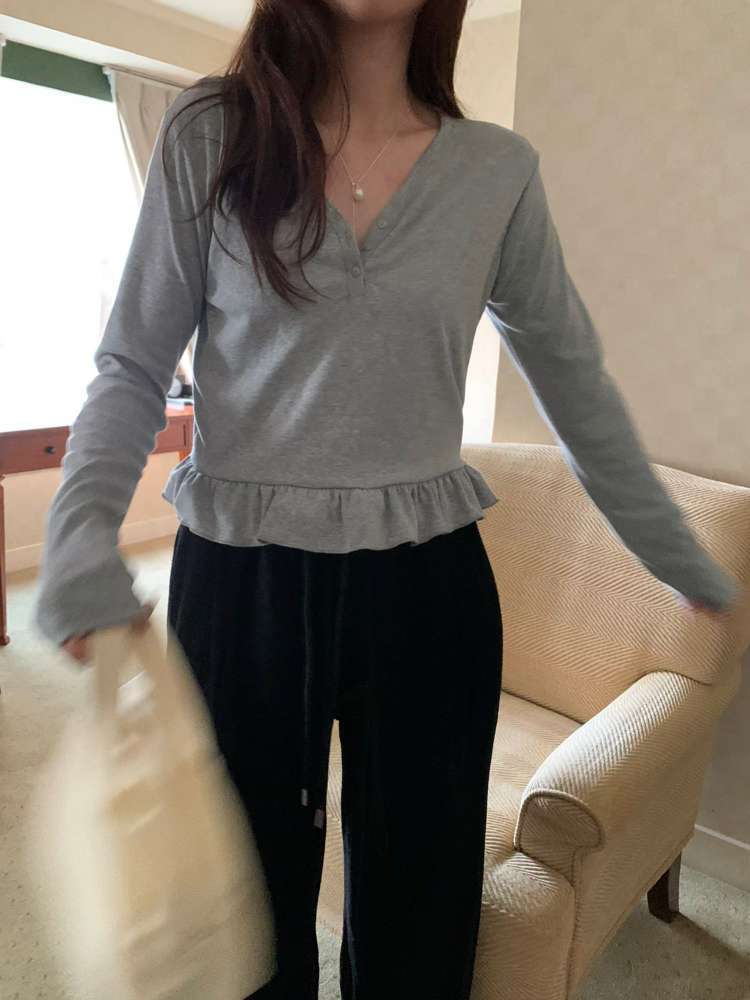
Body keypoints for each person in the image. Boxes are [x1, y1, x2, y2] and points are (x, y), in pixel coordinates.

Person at [33, 1, 740, 997]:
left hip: (428, 589)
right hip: (241, 586)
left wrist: (675, 553)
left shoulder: (495, 172)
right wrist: (78, 539)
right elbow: (132, 363)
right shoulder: (211, 134)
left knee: (421, 927)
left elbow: (574, 385)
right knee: (240, 919)